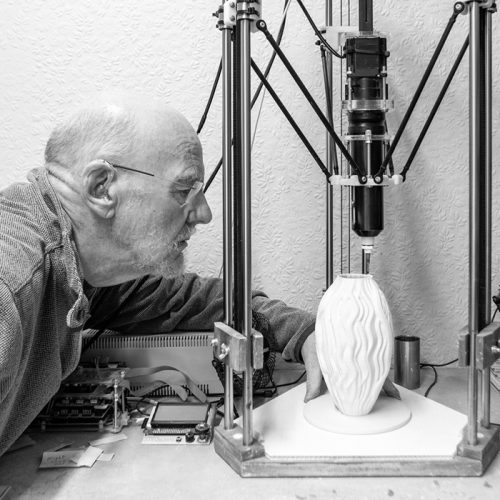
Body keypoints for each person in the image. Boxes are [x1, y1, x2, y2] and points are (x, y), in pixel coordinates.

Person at [0, 94, 324, 457]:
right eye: (184, 189)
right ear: (101, 187)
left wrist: (305, 332)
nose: (204, 214)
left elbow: (190, 300)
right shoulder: (10, 283)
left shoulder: (85, 272)